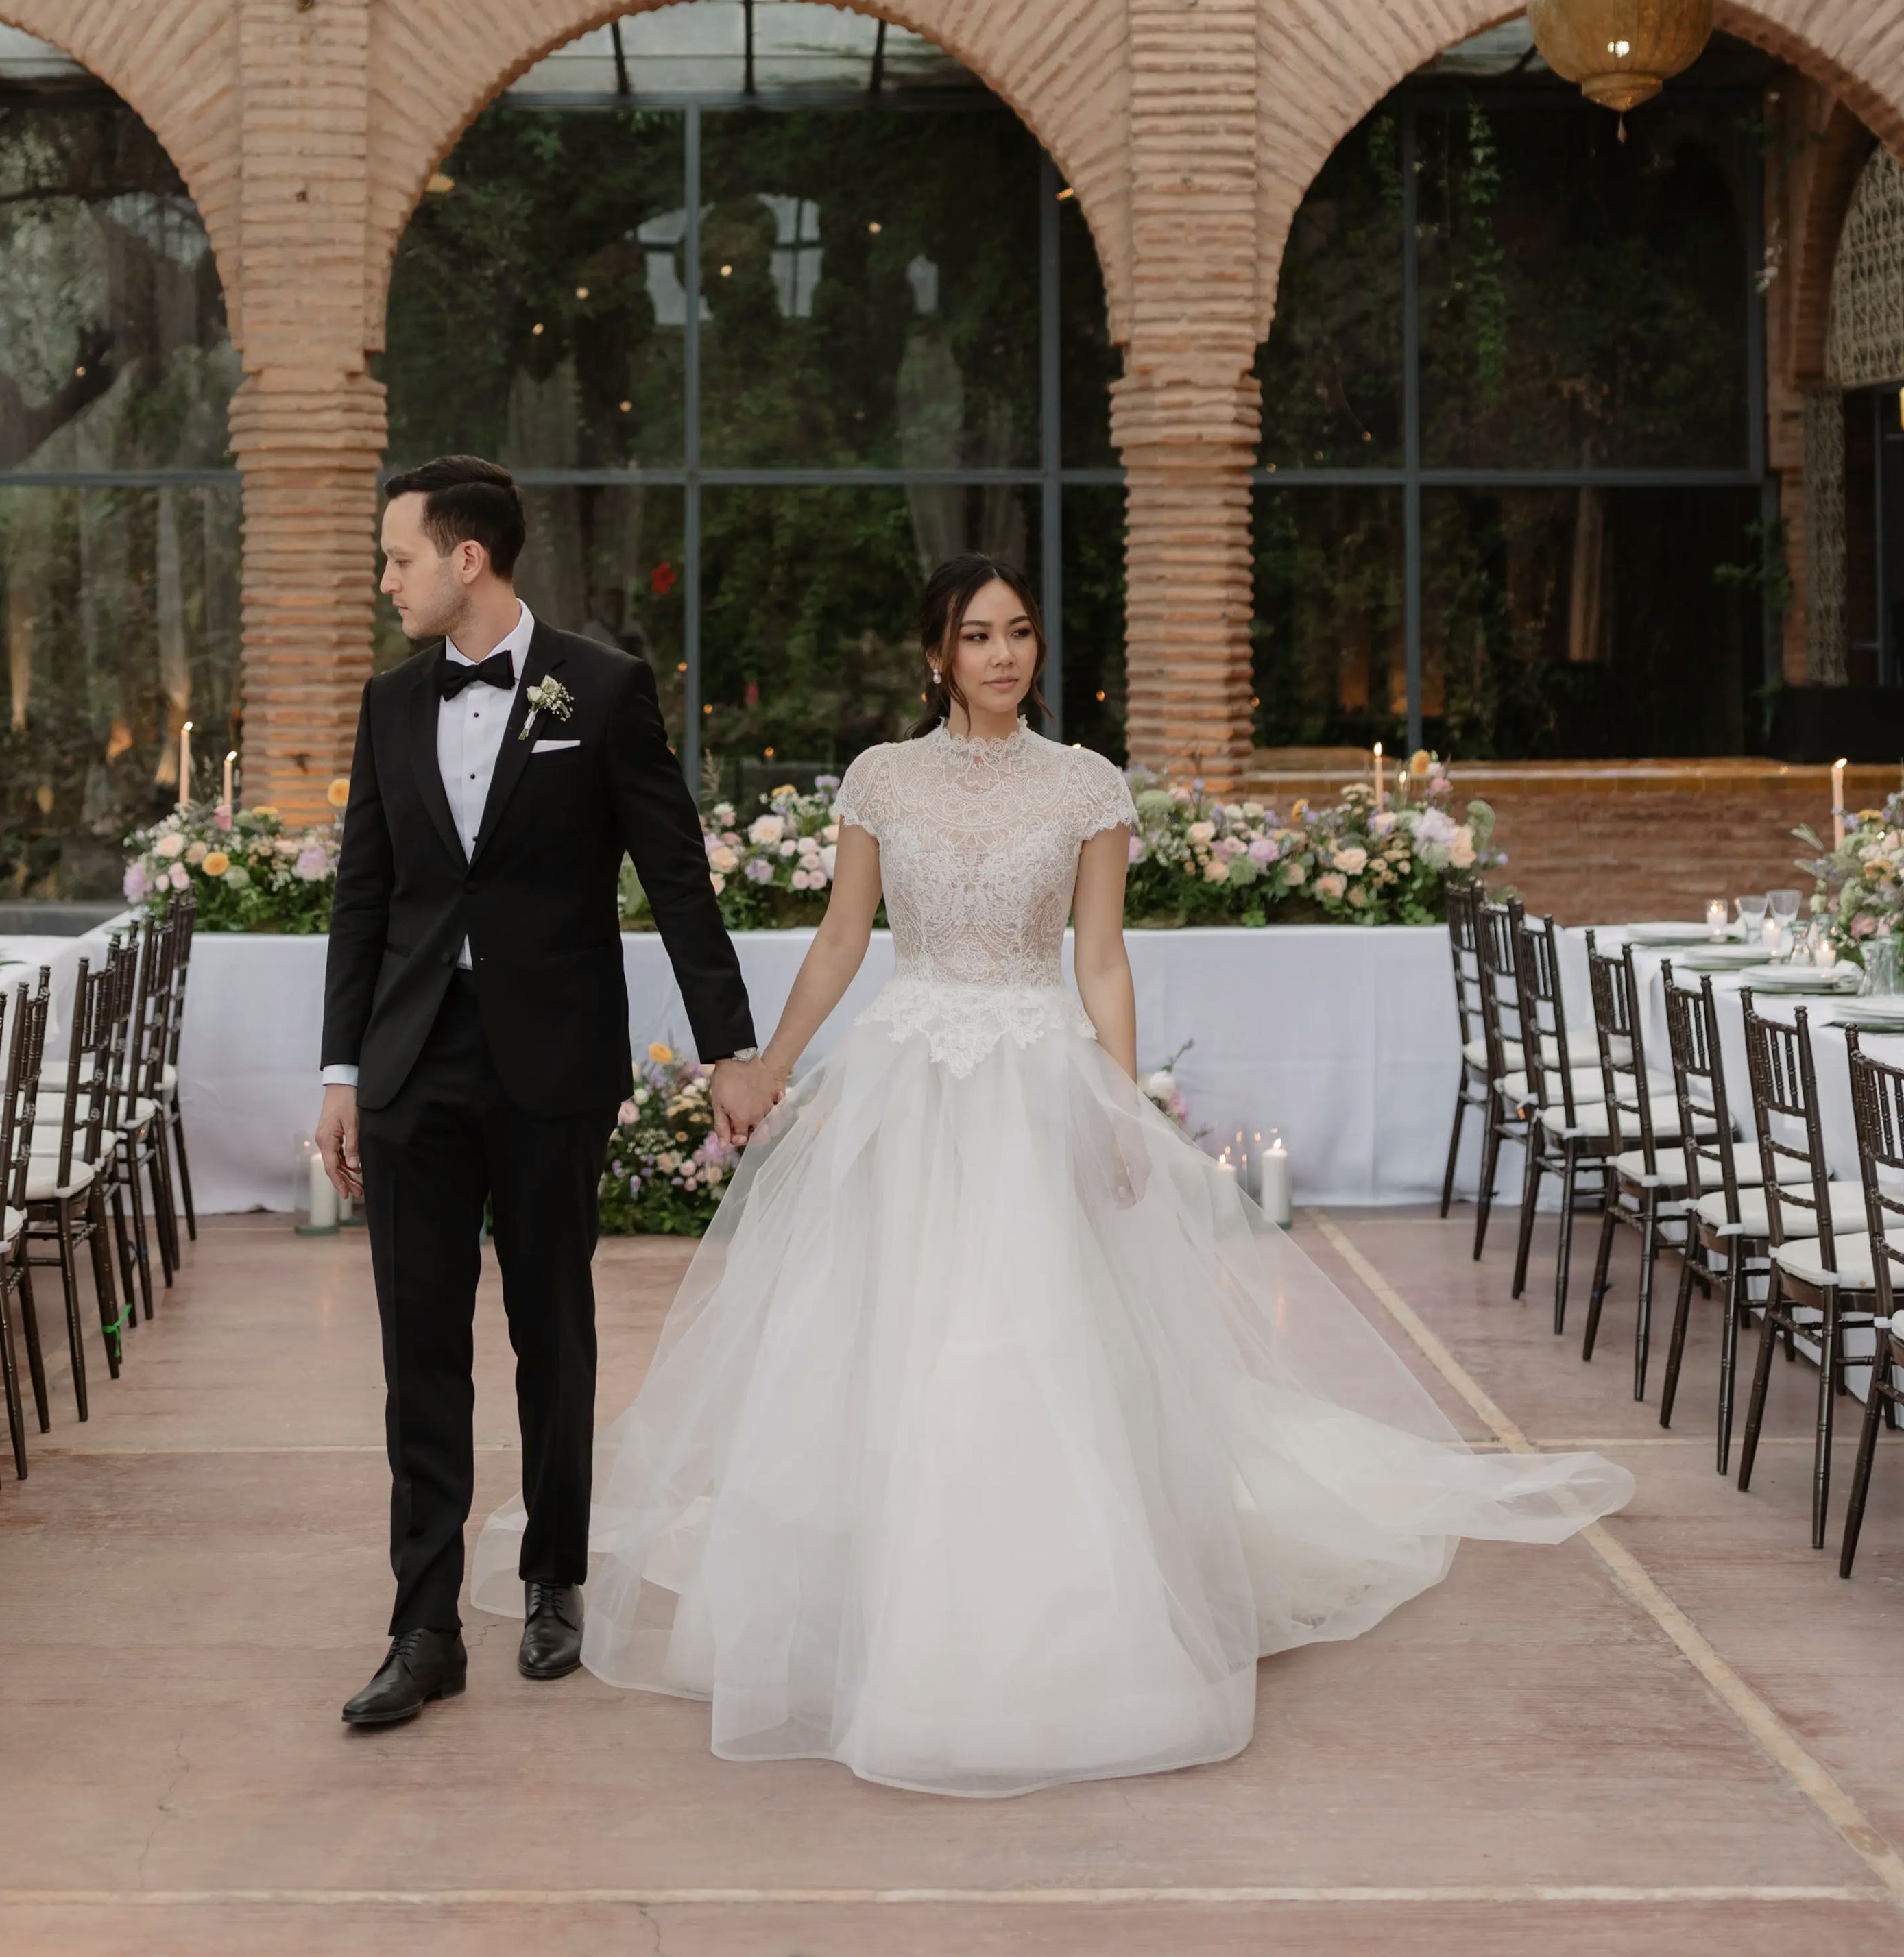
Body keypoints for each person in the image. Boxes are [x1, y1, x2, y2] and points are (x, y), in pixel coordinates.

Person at [472, 554, 1631, 1797]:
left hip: (1035, 1080)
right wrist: (770, 1061)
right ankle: (889, 1591)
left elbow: (1103, 958)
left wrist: (1121, 1104)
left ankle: (1058, 1602)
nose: (1004, 653)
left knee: (1032, 1336)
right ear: (938, 655)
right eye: (977, 635)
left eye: (1019, 632)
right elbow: (845, 938)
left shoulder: (1085, 784)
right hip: (907, 1085)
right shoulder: (882, 779)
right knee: (888, 1338)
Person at [315, 454, 769, 1734]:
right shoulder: (390, 702)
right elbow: (365, 895)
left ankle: (555, 1577)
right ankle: (423, 1624)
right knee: (419, 1353)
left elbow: (678, 878)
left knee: (552, 1333)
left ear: (469, 559)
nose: (385, 577)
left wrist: (728, 1045)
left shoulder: (602, 689)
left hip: (553, 1062)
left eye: (398, 555)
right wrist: (344, 1069)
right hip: (412, 1067)